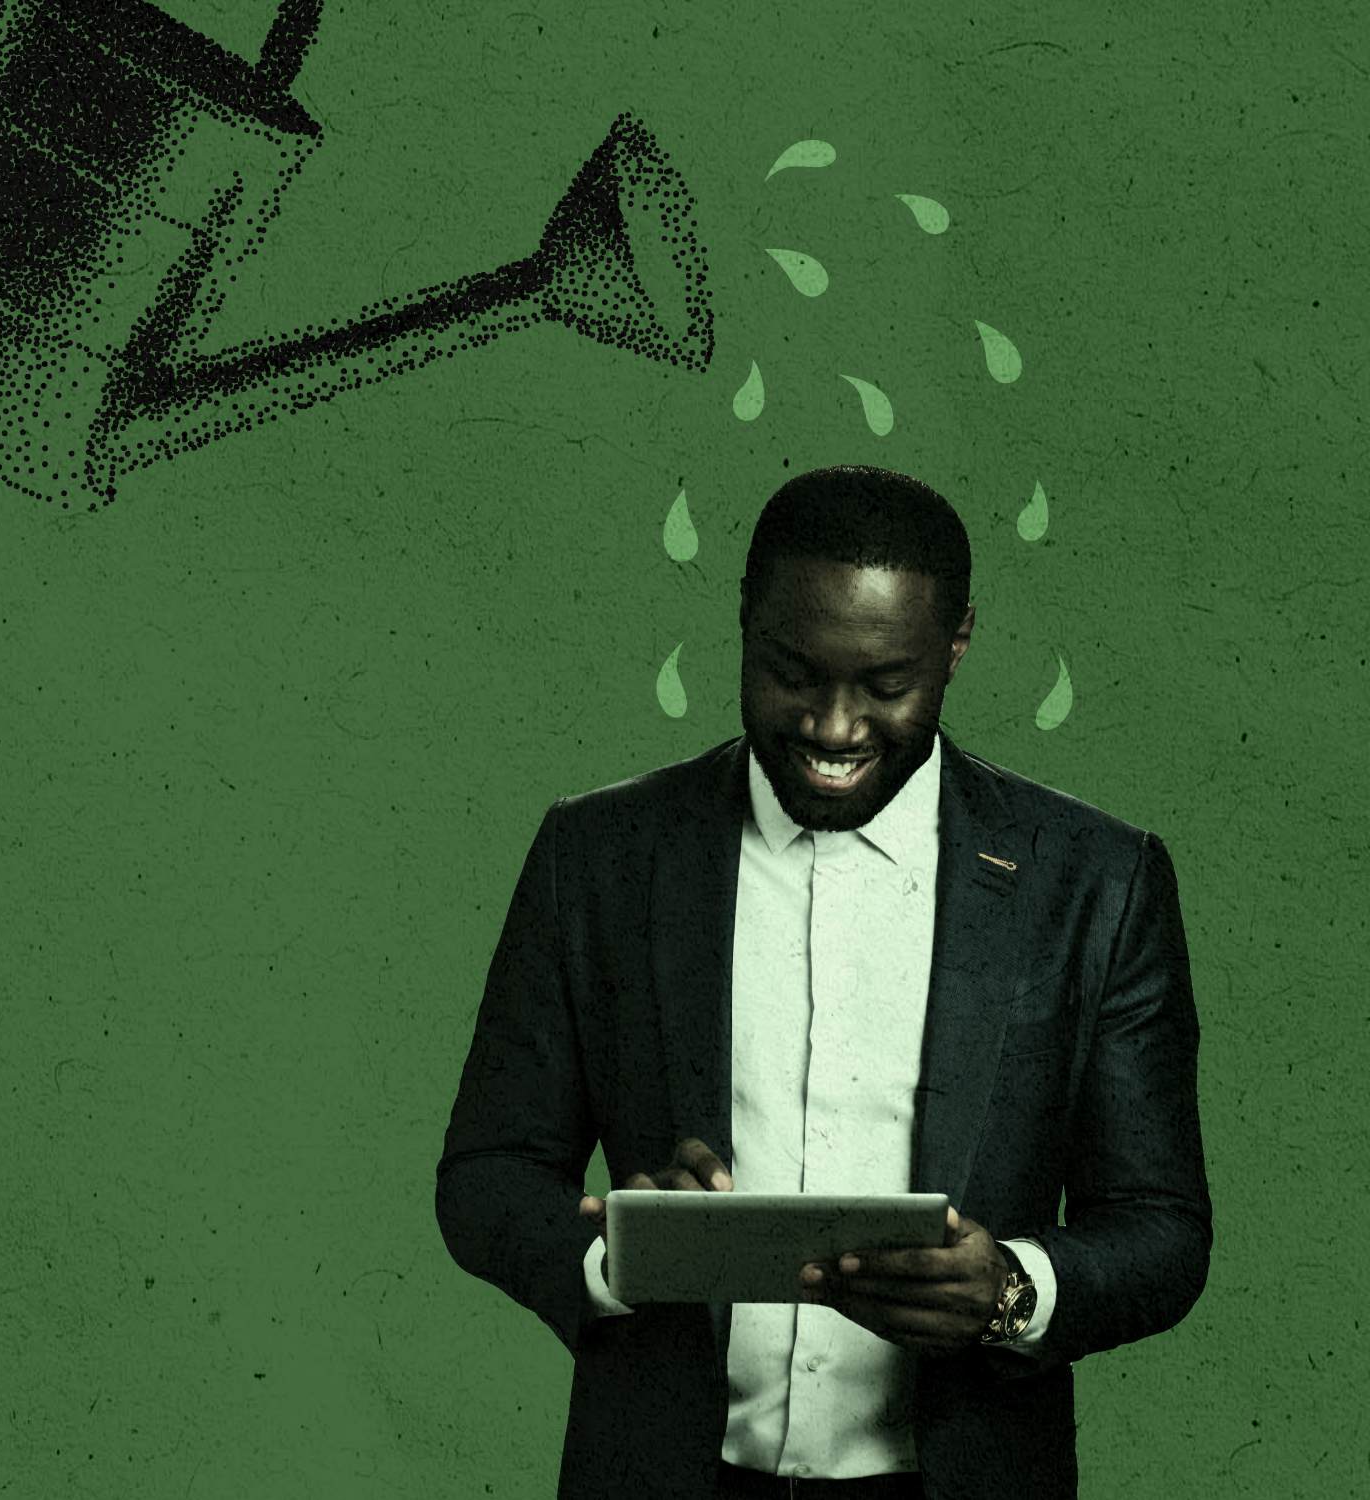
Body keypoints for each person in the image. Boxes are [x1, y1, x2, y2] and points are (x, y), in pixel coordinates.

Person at [433, 466, 1209, 1499]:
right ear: (745, 626)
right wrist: (616, 1254)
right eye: (792, 674)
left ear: (958, 645)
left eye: (887, 686)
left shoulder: (1096, 883)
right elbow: (487, 1172)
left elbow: (1162, 1227)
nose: (835, 728)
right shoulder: (600, 857)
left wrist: (1010, 1291)